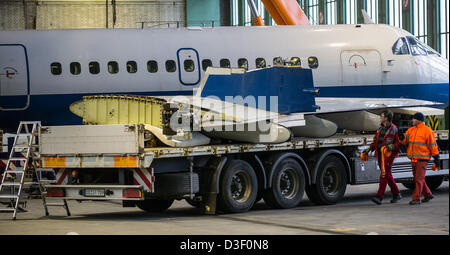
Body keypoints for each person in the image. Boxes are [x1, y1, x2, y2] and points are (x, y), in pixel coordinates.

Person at [399, 112, 440, 205]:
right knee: (419, 179)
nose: (412, 120)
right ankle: (428, 194)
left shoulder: (428, 131)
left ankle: (416, 199)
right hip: (414, 159)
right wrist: (401, 137)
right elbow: (404, 141)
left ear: (419, 120)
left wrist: (436, 158)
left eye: (413, 118)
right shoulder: (411, 130)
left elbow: (433, 146)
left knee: (419, 180)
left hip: (422, 160)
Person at [363, 110, 402, 205]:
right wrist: (369, 149)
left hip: (388, 156)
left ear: (386, 118)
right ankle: (396, 193)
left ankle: (379, 196)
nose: (380, 117)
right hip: (380, 154)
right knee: (387, 175)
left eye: (382, 116)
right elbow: (376, 141)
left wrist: (391, 147)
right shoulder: (380, 129)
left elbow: (399, 143)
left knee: (384, 175)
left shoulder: (394, 129)